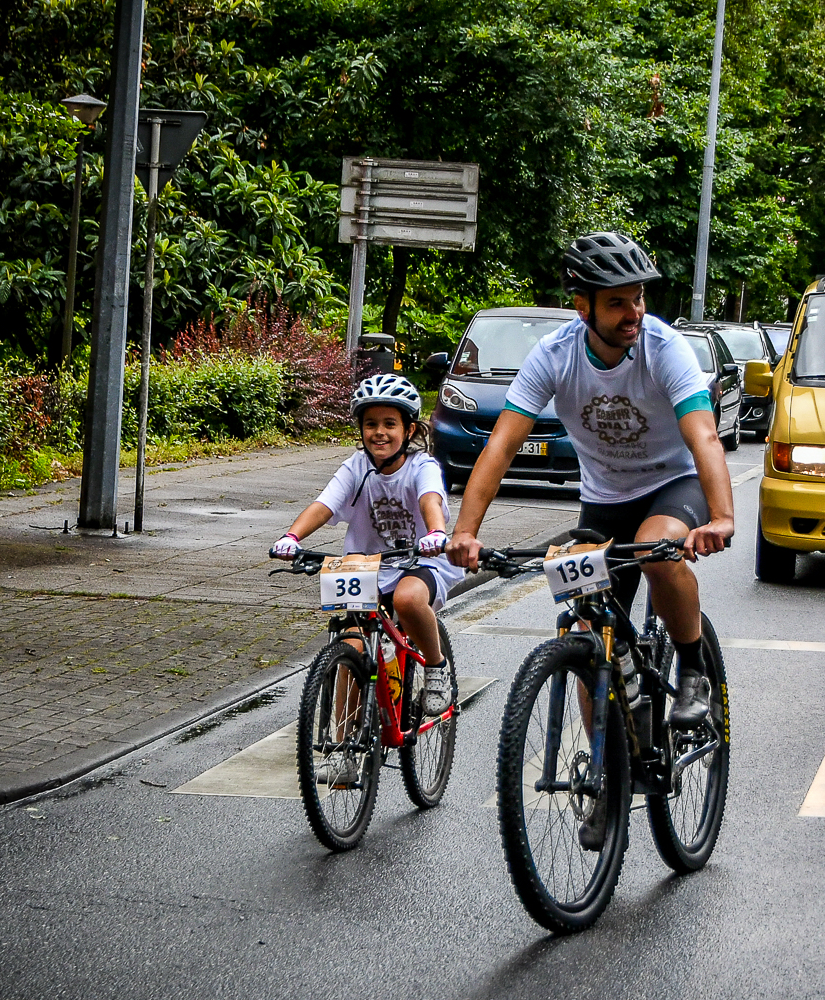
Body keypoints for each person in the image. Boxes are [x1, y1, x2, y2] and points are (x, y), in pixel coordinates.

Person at [446, 230, 734, 736]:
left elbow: (705, 436)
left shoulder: (664, 349)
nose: (634, 312)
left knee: (654, 550)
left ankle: (693, 669)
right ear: (583, 307)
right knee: (588, 633)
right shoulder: (554, 355)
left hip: (673, 484)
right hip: (603, 500)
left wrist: (721, 517)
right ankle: (605, 770)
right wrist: (465, 532)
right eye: (617, 303)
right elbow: (501, 446)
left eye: (638, 298)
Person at [270, 374, 461, 724]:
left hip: (421, 561)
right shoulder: (356, 467)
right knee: (353, 645)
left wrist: (436, 532)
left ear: (409, 430)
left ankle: (436, 666)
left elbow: (430, 499)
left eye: (390, 423)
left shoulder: (422, 466)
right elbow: (325, 504)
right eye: (370, 424)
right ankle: (343, 744)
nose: (379, 432)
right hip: (367, 568)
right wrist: (291, 537)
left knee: (406, 600)